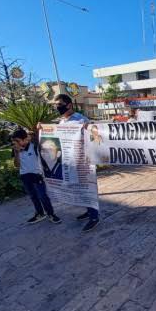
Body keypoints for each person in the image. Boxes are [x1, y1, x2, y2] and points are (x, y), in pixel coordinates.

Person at [52, 93, 100, 232]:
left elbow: (94, 136)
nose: (57, 108)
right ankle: (88, 210)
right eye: (56, 105)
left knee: (88, 188)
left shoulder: (81, 119)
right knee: (78, 188)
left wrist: (89, 128)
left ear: (69, 105)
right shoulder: (61, 122)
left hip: (83, 161)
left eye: (59, 105)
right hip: (70, 160)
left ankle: (94, 217)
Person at [11, 129, 62, 225]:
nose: (16, 143)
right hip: (25, 176)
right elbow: (17, 165)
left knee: (43, 196)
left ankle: (51, 214)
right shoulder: (15, 149)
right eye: (14, 141)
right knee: (33, 196)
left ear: (25, 139)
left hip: (37, 175)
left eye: (18, 141)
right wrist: (17, 152)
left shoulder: (34, 147)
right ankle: (40, 213)